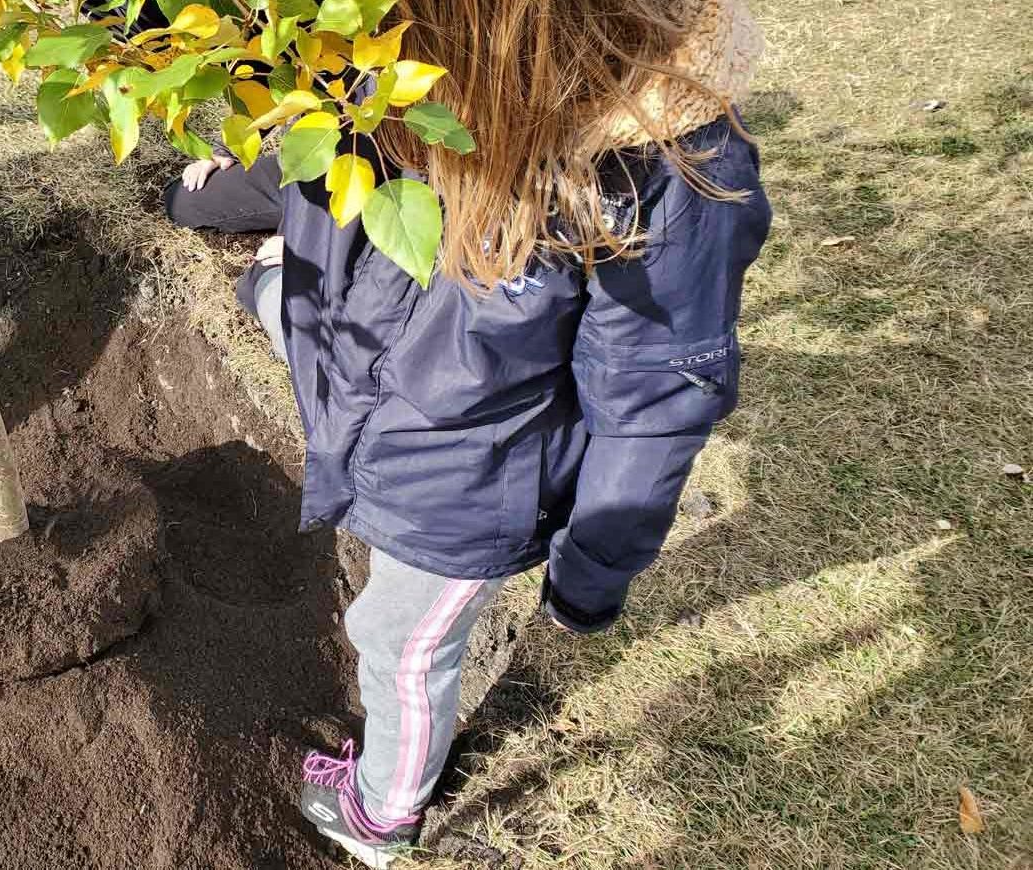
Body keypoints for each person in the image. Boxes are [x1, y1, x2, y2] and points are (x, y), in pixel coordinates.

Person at [164, 0, 771, 865]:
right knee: (277, 289)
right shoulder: (379, 71)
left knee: (398, 643)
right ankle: (270, 291)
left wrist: (589, 578)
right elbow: (310, 168)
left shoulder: (654, 177)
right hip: (368, 383)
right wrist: (229, 183)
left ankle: (382, 813)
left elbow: (651, 408)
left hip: (462, 487)